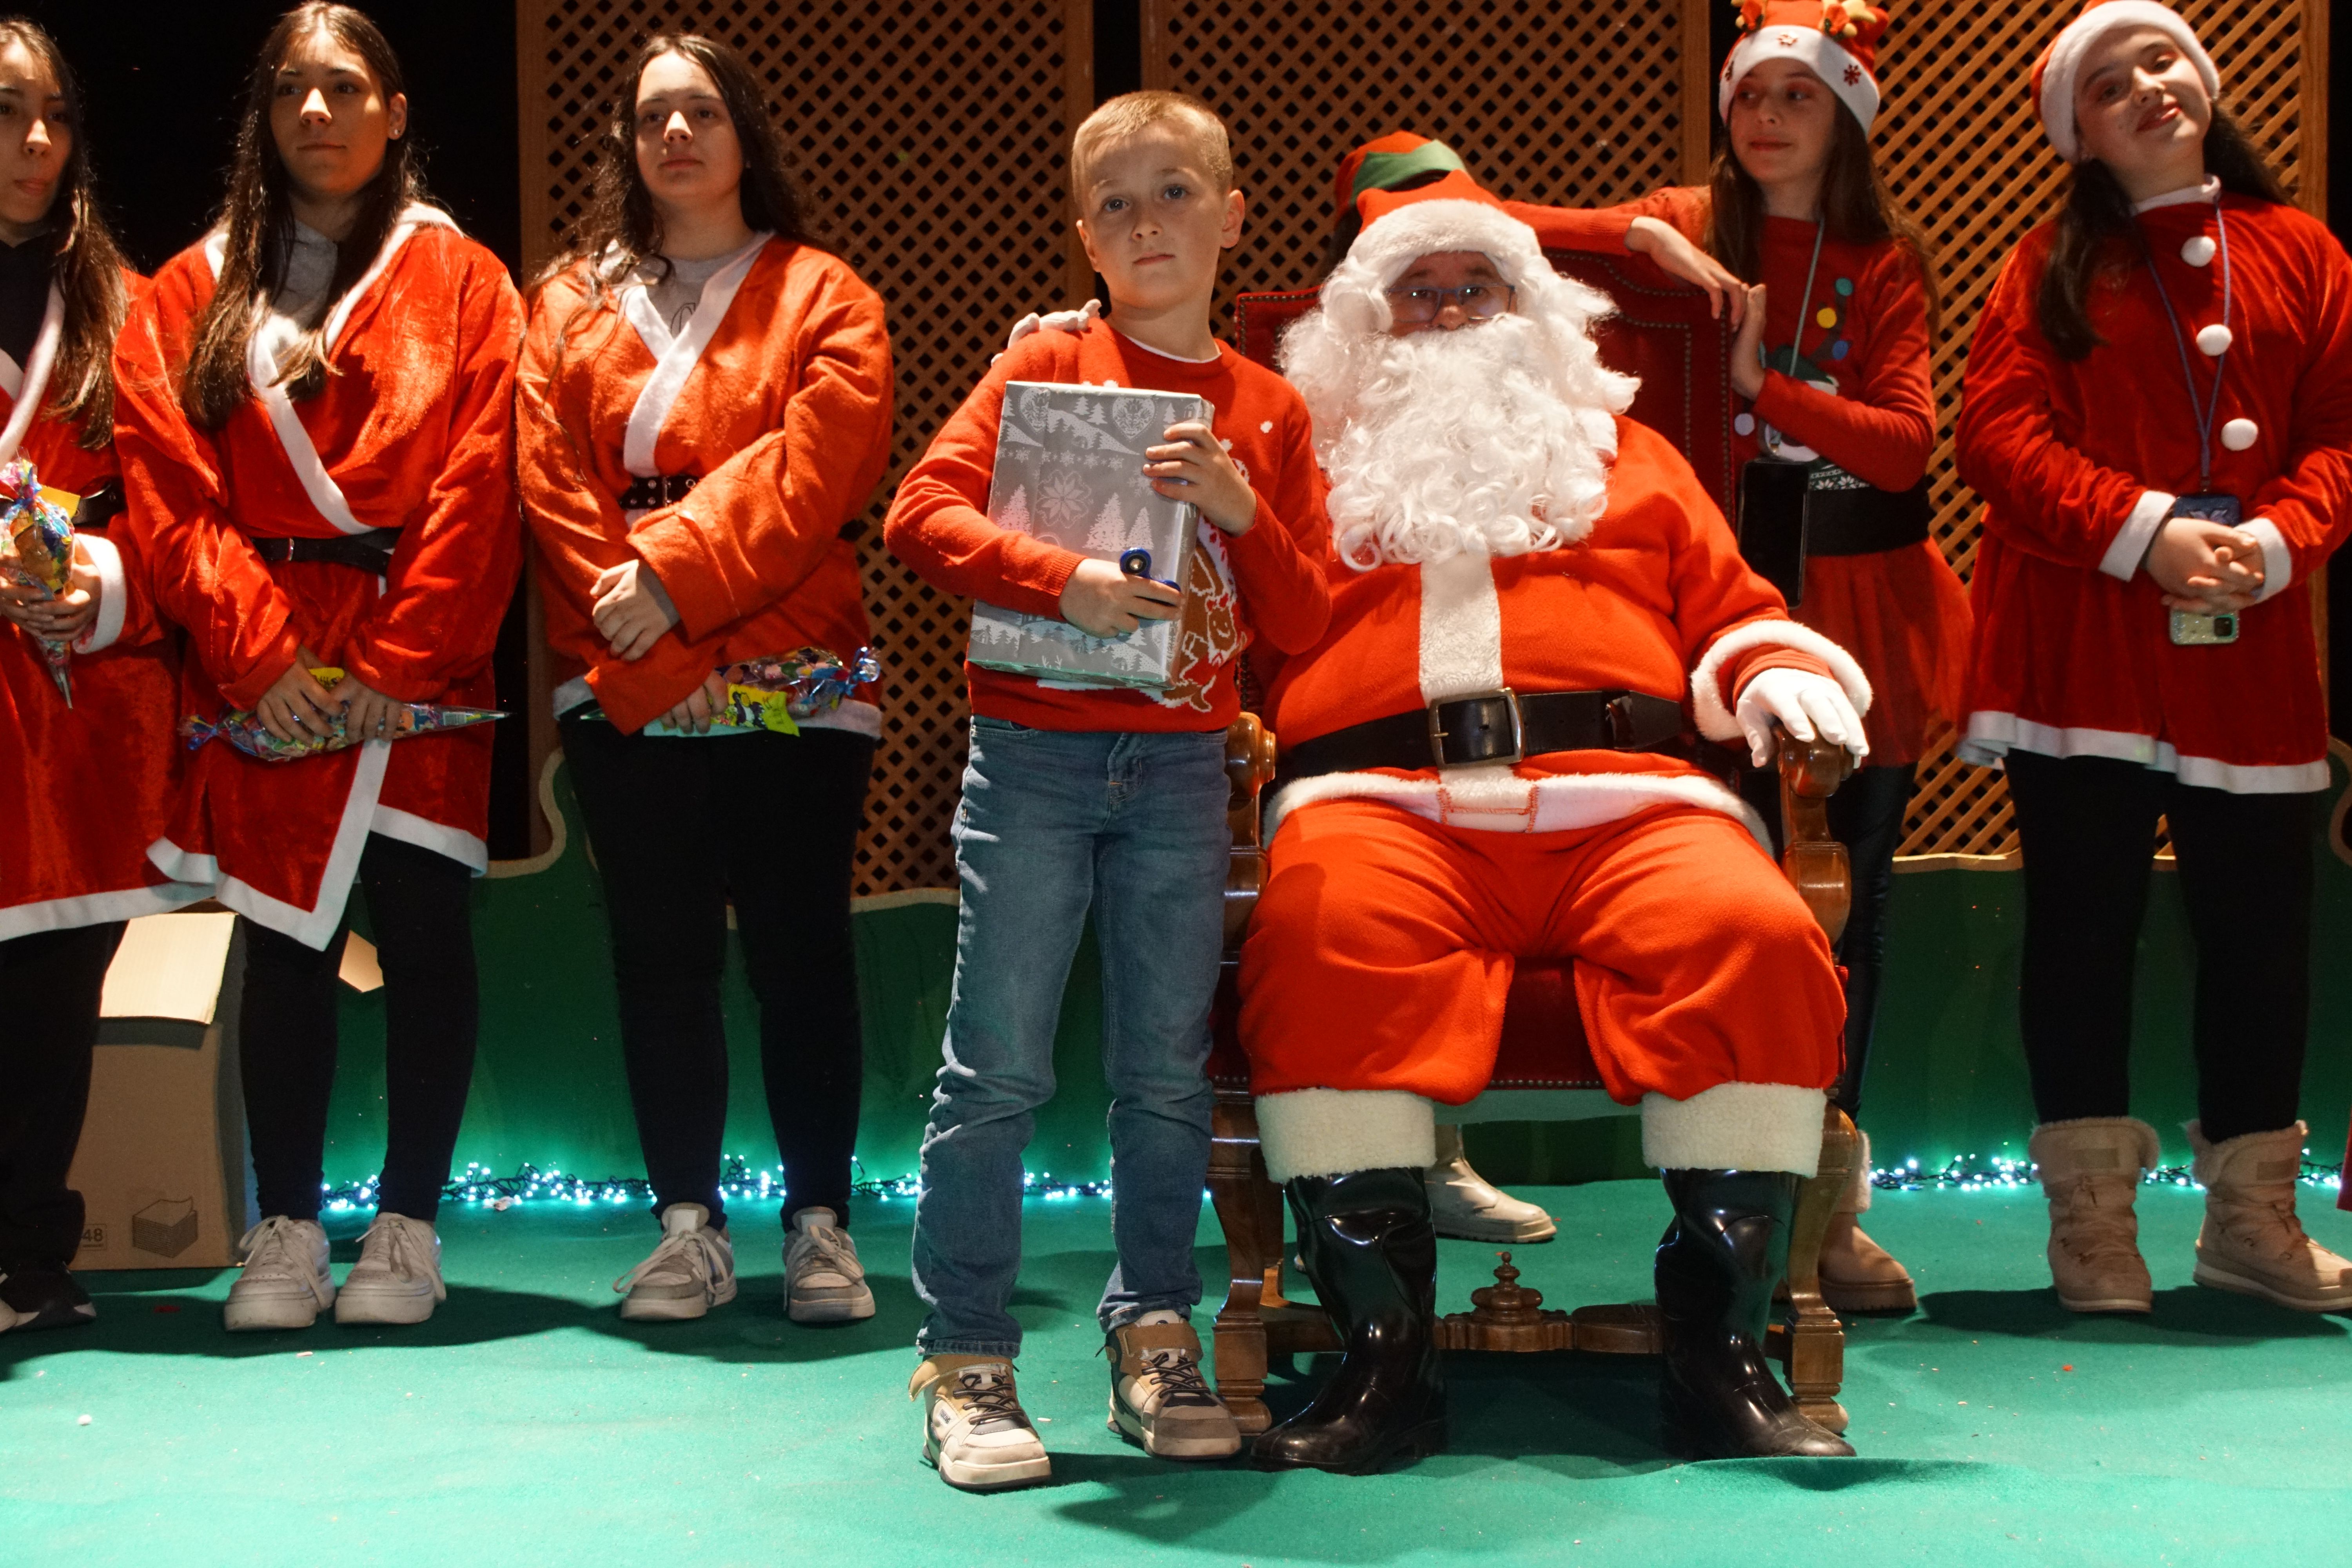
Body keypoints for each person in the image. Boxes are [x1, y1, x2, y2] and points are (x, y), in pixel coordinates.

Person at [1238, 171, 1873, 1472]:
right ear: (1366, 319)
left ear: (1534, 311)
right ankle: (1384, 1361)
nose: (1452, 310)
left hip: (1634, 805)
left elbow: (1736, 608)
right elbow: (1222, 623)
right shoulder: (1296, 463)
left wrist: (1779, 674)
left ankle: (1718, 1350)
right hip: (1379, 808)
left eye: (1480, 286)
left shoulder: (1630, 457)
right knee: (1318, 935)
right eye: (1420, 290)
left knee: (1751, 933)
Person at [1407, 0, 1966, 1314]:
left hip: (1854, 607)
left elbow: (1901, 446)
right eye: (1751, 95)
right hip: (1693, 606)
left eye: (1801, 98)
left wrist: (1766, 385)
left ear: (1849, 117)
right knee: (1725, 903)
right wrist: (1630, 234)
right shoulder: (1680, 217)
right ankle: (1725, 1203)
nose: (1767, 119)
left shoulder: (1888, 258)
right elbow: (1426, 196)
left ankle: (1828, 1210)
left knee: (1850, 913)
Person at [886, 90, 1332, 1489]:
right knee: (999, 1066)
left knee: (1161, 1074)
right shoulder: (1048, 369)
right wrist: (1061, 580)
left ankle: (1155, 1330)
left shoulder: (1268, 409)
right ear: (1083, 234)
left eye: (1177, 194)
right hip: (1035, 757)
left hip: (1186, 767)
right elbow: (920, 514)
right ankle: (967, 1355)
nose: (1150, 224)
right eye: (1119, 204)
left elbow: (1311, 624)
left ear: (1233, 218)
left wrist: (1251, 519)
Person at [111, 2, 523, 1332]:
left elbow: (484, 476)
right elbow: (170, 499)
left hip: (419, 646)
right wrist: (262, 655)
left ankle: (407, 1227)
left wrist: (406, 662)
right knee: (286, 940)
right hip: (265, 659)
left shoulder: (466, 281)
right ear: (266, 114)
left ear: (396, 112)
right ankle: (287, 1227)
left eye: (349, 88)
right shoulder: (189, 291)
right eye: (294, 89)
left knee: (423, 927)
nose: (320, 112)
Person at [1956, 0, 2352, 1316]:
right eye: (2112, 82)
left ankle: (2249, 1222)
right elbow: (2001, 445)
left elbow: (2343, 436)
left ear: (2208, 80)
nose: (2149, 88)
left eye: (2164, 62)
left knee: (2263, 938)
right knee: (2083, 927)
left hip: (2251, 656)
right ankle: (2092, 1231)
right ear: (2080, 130)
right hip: (2088, 651)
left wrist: (2284, 540)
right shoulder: (2046, 266)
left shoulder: (2306, 250)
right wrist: (2145, 535)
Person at [517, 33, 893, 1327]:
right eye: (651, 117)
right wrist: (655, 641)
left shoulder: (825, 292)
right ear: (627, 143)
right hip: (624, 669)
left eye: (701, 112)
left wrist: (672, 580)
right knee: (660, 958)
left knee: (801, 953)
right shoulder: (566, 300)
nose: (675, 135)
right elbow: (551, 485)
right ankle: (687, 1230)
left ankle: (821, 1228)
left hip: (790, 659)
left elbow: (821, 467)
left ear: (746, 135)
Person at [0, 17, 207, 1336]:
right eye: (7, 109)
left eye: (56, 115)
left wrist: (105, 584)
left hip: (77, 704)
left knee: (50, 996)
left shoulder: (126, 309)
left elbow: (182, 509)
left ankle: (30, 1256)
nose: (35, 143)